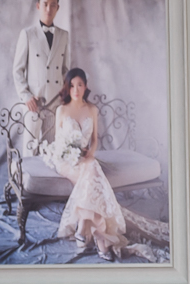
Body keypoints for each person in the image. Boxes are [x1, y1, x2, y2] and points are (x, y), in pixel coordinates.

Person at [49, 68, 133, 262]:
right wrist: (70, 154)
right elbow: (57, 142)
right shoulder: (62, 110)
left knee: (92, 167)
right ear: (67, 88)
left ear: (85, 86)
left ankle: (83, 226)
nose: (75, 90)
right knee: (93, 172)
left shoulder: (92, 109)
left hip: (85, 158)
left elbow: (94, 139)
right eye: (71, 86)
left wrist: (90, 153)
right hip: (65, 160)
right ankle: (100, 238)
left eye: (79, 85)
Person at [13, 0, 69, 155]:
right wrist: (26, 96)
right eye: (45, 4)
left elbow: (65, 70)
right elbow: (17, 70)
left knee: (51, 149)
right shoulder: (27, 34)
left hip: (55, 102)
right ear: (38, 6)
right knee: (30, 148)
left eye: (53, 5)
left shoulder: (64, 35)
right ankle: (28, 173)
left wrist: (65, 95)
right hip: (34, 103)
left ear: (58, 8)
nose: (48, 8)